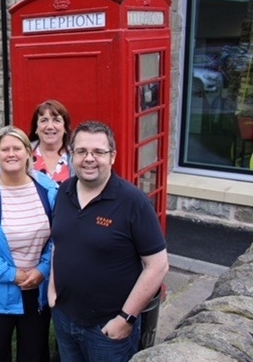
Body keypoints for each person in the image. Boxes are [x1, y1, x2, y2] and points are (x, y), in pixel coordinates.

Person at [48, 121, 169, 362]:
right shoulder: (64, 191)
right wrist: (52, 291)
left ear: (112, 157)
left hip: (107, 329)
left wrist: (126, 319)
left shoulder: (133, 202)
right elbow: (59, 244)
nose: (89, 158)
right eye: (81, 151)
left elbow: (158, 265)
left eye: (98, 152)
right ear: (72, 155)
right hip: (64, 317)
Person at [0, 125, 58, 362]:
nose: (11, 153)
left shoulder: (48, 190)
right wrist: (11, 274)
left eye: (17, 148)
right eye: (5, 149)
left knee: (35, 355)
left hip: (37, 290)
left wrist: (43, 270)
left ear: (28, 152)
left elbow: (59, 236)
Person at [27, 100, 73, 185]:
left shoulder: (75, 156)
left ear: (65, 128)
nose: (50, 126)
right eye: (44, 120)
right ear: (36, 128)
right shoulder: (24, 155)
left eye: (56, 120)